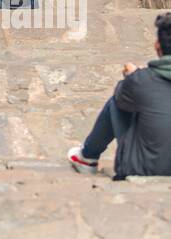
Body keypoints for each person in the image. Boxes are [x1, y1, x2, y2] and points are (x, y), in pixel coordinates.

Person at [69, 13, 171, 179]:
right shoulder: (141, 80)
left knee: (117, 101)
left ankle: (88, 157)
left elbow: (125, 97)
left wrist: (133, 78)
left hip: (142, 169)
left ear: (157, 46)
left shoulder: (140, 81)